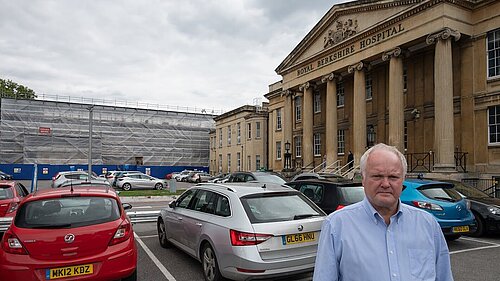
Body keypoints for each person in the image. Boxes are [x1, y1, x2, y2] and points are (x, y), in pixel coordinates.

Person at [313, 143, 453, 281]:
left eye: (393, 177)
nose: (385, 184)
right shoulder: (336, 225)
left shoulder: (428, 224)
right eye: (377, 176)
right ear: (363, 179)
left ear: (402, 180)